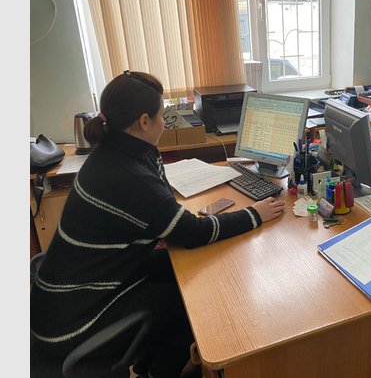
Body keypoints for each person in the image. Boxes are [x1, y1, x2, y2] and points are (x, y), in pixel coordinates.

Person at [30, 71, 286, 377]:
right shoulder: (126, 175)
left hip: (81, 287)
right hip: (76, 320)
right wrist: (255, 214)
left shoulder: (116, 152)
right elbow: (192, 233)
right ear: (143, 122)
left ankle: (152, 361)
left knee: (187, 269)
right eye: (161, 116)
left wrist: (172, 217)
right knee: (192, 304)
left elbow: (163, 204)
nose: (164, 123)